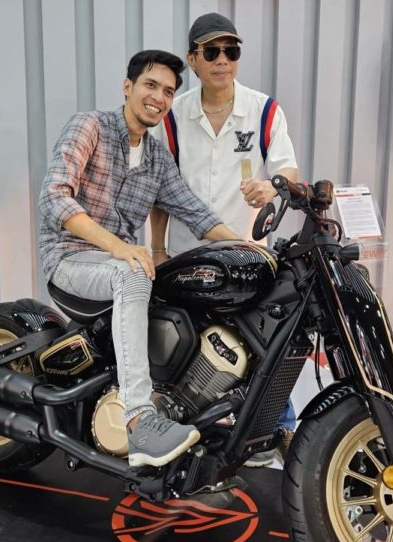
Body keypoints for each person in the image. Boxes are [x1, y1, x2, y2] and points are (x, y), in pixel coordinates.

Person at [38, 50, 238, 469]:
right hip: (69, 258)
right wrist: (116, 245)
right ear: (128, 87)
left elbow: (196, 213)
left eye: (168, 91)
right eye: (150, 85)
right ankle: (138, 421)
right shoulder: (90, 126)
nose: (158, 97)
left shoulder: (157, 157)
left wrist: (250, 249)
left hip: (115, 266)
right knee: (133, 272)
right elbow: (54, 197)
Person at [149, 13, 298, 467]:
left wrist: (272, 187)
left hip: (247, 255)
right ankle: (182, 426)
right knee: (187, 346)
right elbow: (159, 189)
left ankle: (278, 427)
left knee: (265, 345)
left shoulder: (265, 110)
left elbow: (288, 171)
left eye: (230, 51)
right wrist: (157, 250)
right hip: (187, 257)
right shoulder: (173, 115)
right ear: (192, 59)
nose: (222, 60)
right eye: (211, 52)